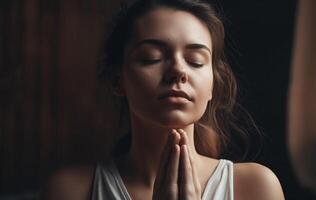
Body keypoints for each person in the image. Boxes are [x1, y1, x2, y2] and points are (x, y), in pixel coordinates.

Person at [42, 0, 285, 199]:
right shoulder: (69, 191)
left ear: (213, 84)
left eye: (196, 61)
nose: (179, 71)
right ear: (118, 80)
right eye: (151, 57)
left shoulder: (255, 188)